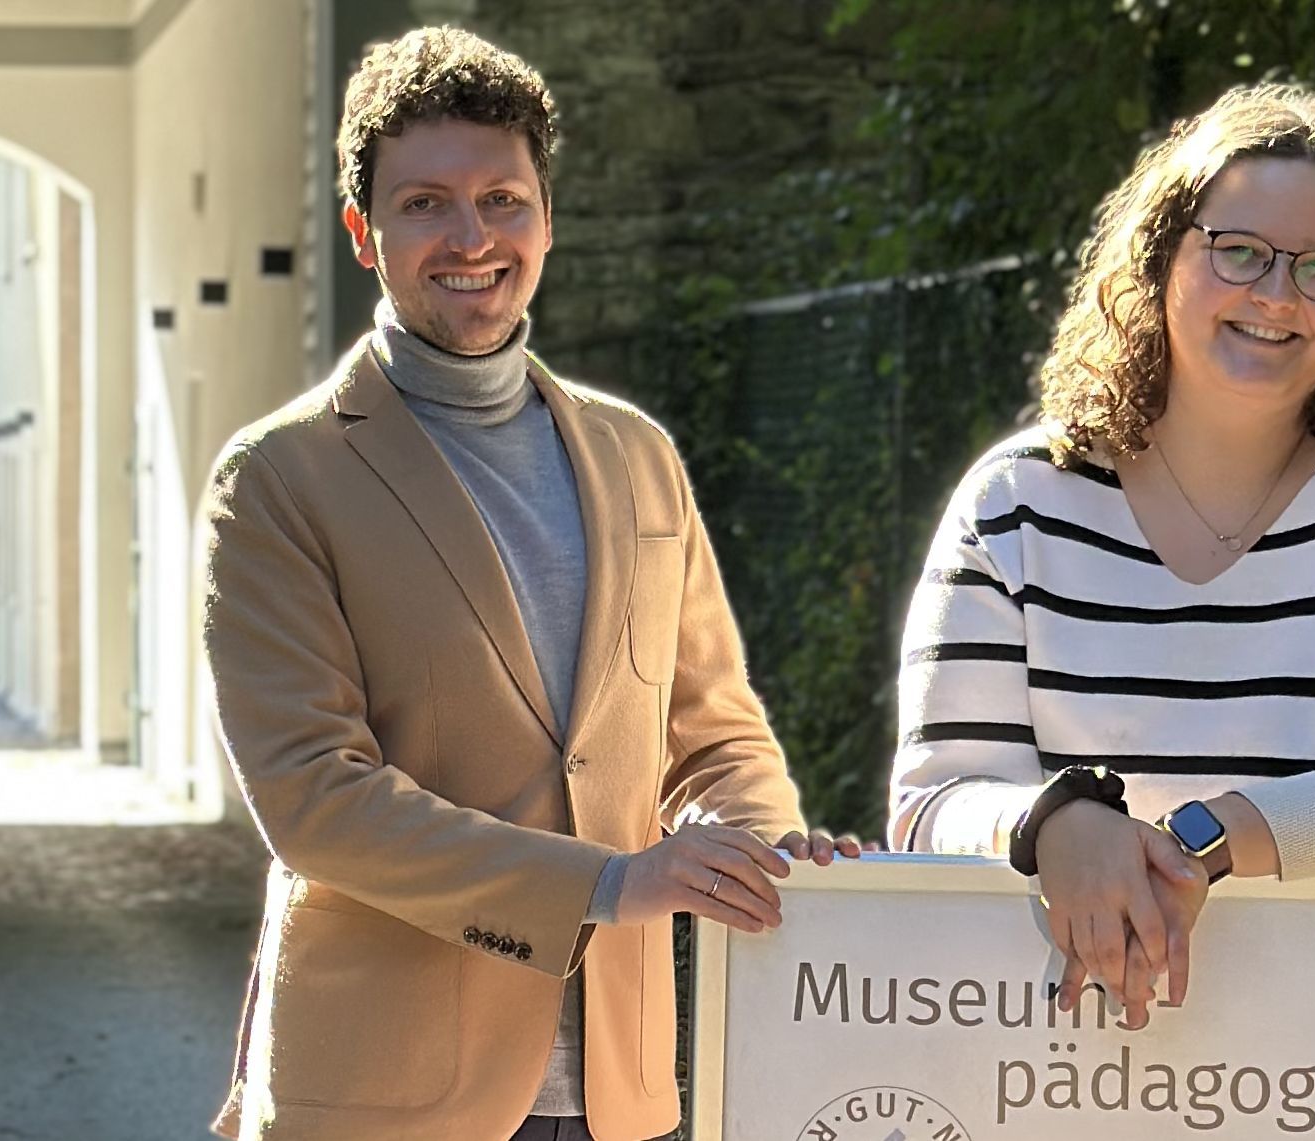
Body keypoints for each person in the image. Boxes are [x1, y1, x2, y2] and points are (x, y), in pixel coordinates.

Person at [200, 27, 859, 1141]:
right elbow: (315, 798)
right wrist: (610, 883)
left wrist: (763, 842)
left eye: (503, 199)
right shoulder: (277, 478)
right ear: (365, 233)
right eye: (426, 204)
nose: (471, 237)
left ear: (548, 221)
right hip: (384, 1097)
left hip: (621, 1090)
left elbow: (709, 732)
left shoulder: (637, 455)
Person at [886, 84, 1315, 1134]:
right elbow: (930, 806)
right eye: (1238, 249)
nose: (1277, 293)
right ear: (1161, 255)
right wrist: (1061, 825)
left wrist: (1204, 840)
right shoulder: (1017, 503)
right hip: (1063, 1075)